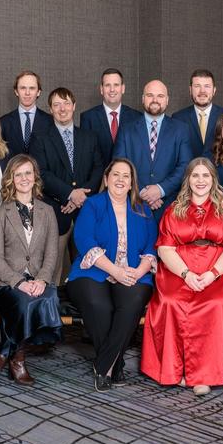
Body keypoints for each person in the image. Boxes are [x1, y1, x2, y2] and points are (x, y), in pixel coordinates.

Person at [141, 157, 223, 396]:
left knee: (216, 304)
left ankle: (204, 375)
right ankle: (175, 370)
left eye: (205, 176)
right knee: (170, 301)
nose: (200, 181)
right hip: (179, 268)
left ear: (213, 180)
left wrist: (212, 274)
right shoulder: (173, 208)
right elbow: (165, 249)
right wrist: (186, 274)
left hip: (219, 269)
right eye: (195, 175)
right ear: (187, 179)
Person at [67, 158, 157, 391]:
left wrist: (138, 272)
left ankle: (104, 364)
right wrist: (115, 270)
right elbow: (84, 240)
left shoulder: (143, 209)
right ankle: (115, 365)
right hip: (94, 269)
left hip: (133, 271)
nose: (120, 179)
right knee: (99, 305)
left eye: (125, 176)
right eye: (115, 174)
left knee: (133, 301)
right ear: (106, 179)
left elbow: (151, 247)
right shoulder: (93, 205)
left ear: (131, 183)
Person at [0, 155, 62, 385]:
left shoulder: (48, 211)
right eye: (18, 174)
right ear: (11, 178)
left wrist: (41, 280)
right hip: (5, 282)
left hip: (38, 279)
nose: (23, 178)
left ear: (35, 177)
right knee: (24, 301)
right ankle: (18, 359)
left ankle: (6, 348)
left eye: (28, 173)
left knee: (49, 295)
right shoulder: (1, 213)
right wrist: (19, 282)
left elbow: (51, 253)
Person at [29, 87, 103, 284]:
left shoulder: (89, 137)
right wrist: (70, 194)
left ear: (74, 106)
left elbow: (98, 170)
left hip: (85, 211)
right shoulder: (40, 139)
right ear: (50, 109)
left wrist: (81, 197)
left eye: (67, 103)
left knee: (87, 266)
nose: (62, 109)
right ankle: (53, 309)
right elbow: (41, 173)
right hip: (56, 209)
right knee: (53, 270)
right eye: (57, 105)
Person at [113, 80, 191, 219]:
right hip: (134, 204)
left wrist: (160, 190)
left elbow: (185, 166)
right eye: (150, 95)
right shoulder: (126, 129)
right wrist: (143, 192)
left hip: (170, 206)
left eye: (160, 96)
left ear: (167, 100)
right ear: (143, 99)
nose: (155, 100)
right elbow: (118, 165)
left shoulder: (181, 129)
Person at [80, 68, 142, 163]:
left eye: (116, 85)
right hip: (99, 177)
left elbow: (139, 154)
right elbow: (85, 157)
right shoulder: (88, 118)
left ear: (123, 88)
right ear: (101, 89)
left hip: (127, 176)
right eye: (107, 85)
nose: (112, 90)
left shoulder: (137, 117)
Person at [173, 69, 223, 157]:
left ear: (214, 90)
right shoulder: (178, 118)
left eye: (207, 86)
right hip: (189, 170)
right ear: (190, 89)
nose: (202, 91)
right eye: (197, 86)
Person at [0, 71, 51, 156]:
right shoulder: (3, 123)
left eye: (32, 88)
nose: (27, 93)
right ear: (16, 91)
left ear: (38, 92)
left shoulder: (50, 122)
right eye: (23, 88)